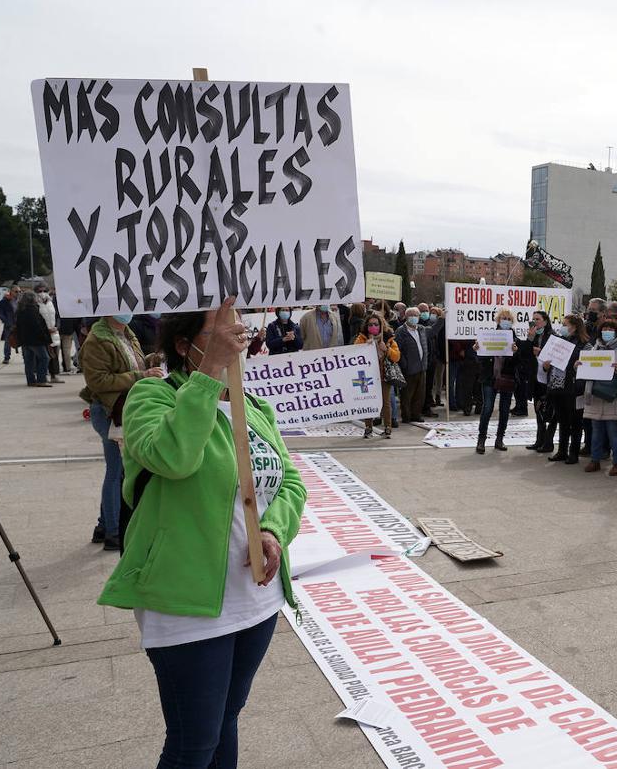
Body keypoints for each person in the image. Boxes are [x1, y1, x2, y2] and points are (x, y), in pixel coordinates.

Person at [98, 299, 305, 768]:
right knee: (193, 743)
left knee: (226, 719)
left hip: (254, 599)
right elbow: (175, 458)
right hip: (185, 600)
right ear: (183, 344)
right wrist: (208, 375)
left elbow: (289, 481)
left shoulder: (253, 407)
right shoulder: (153, 397)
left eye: (241, 333)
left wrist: (272, 530)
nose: (237, 342)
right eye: (221, 335)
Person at [79, 312, 163, 550]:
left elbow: (132, 363)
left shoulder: (126, 332)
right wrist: (141, 376)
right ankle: (114, 532)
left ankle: (104, 525)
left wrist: (151, 361)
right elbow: (98, 381)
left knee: (116, 470)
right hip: (108, 411)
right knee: (116, 472)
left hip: (120, 408)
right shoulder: (97, 339)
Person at [581, 318, 617, 475]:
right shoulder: (593, 350)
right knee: (596, 431)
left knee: (613, 432)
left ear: (616, 332)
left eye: (611, 329)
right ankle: (595, 460)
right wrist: (580, 366)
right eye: (605, 329)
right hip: (596, 396)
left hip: (613, 397)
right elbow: (587, 372)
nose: (607, 332)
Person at [474, 309, 524, 454]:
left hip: (507, 379)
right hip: (490, 378)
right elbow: (481, 359)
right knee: (488, 408)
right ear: (497, 320)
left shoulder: (516, 339)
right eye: (503, 318)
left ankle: (499, 439)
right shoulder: (488, 336)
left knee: (504, 410)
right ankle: (481, 439)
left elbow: (519, 362)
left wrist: (515, 352)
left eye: (509, 318)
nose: (506, 320)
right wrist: (477, 349)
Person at [545, 314, 590, 465]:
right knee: (562, 421)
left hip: (574, 388)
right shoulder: (559, 341)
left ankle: (574, 453)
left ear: (575, 326)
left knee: (575, 422)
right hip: (558, 387)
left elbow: (588, 365)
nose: (563, 327)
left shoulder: (584, 344)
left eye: (566, 324)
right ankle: (562, 451)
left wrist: (579, 365)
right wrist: (547, 365)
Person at [354, 313, 399, 439]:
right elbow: (354, 353)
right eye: (370, 324)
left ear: (381, 325)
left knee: (386, 402)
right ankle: (368, 427)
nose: (373, 326)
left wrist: (387, 350)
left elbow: (396, 356)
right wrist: (364, 347)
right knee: (367, 401)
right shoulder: (361, 338)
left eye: (376, 324)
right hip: (365, 376)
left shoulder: (389, 338)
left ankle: (388, 427)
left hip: (383, 374)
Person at [525, 311, 555, 453]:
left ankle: (548, 442)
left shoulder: (553, 336)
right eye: (533, 319)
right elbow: (524, 353)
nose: (535, 322)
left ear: (545, 321)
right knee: (538, 411)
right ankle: (539, 441)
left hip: (548, 380)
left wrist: (540, 352)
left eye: (538, 319)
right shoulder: (534, 335)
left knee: (548, 412)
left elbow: (556, 356)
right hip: (536, 379)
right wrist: (529, 340)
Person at [395, 307, 429, 423]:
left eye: (416, 315)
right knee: (407, 394)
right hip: (408, 368)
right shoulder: (401, 331)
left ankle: (416, 414)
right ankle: (406, 415)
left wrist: (441, 319)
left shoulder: (421, 329)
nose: (414, 318)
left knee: (420, 394)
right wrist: (405, 364)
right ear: (406, 316)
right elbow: (398, 349)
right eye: (412, 315)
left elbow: (433, 331)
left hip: (421, 367)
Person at [15, 291, 54, 387]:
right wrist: (45, 338)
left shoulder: (20, 310)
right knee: (44, 358)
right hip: (35, 340)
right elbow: (37, 327)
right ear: (32, 299)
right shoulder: (33, 310)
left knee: (29, 361)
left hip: (24, 340)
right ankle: (41, 379)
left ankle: (31, 380)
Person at [35, 284, 64, 383]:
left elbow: (58, 316)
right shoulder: (36, 304)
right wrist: (46, 330)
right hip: (43, 334)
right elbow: (37, 320)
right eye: (40, 291)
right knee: (43, 356)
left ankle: (54, 375)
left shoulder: (52, 302)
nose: (42, 293)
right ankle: (42, 376)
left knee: (54, 355)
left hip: (54, 333)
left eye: (44, 291)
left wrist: (57, 327)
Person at [0, 286, 17, 364]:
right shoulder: (4, 301)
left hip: (20, 324)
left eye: (19, 292)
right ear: (11, 292)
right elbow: (0, 313)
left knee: (24, 342)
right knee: (8, 341)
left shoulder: (21, 301)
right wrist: (6, 321)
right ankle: (6, 357)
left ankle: (25, 357)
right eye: (16, 291)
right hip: (9, 325)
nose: (18, 293)